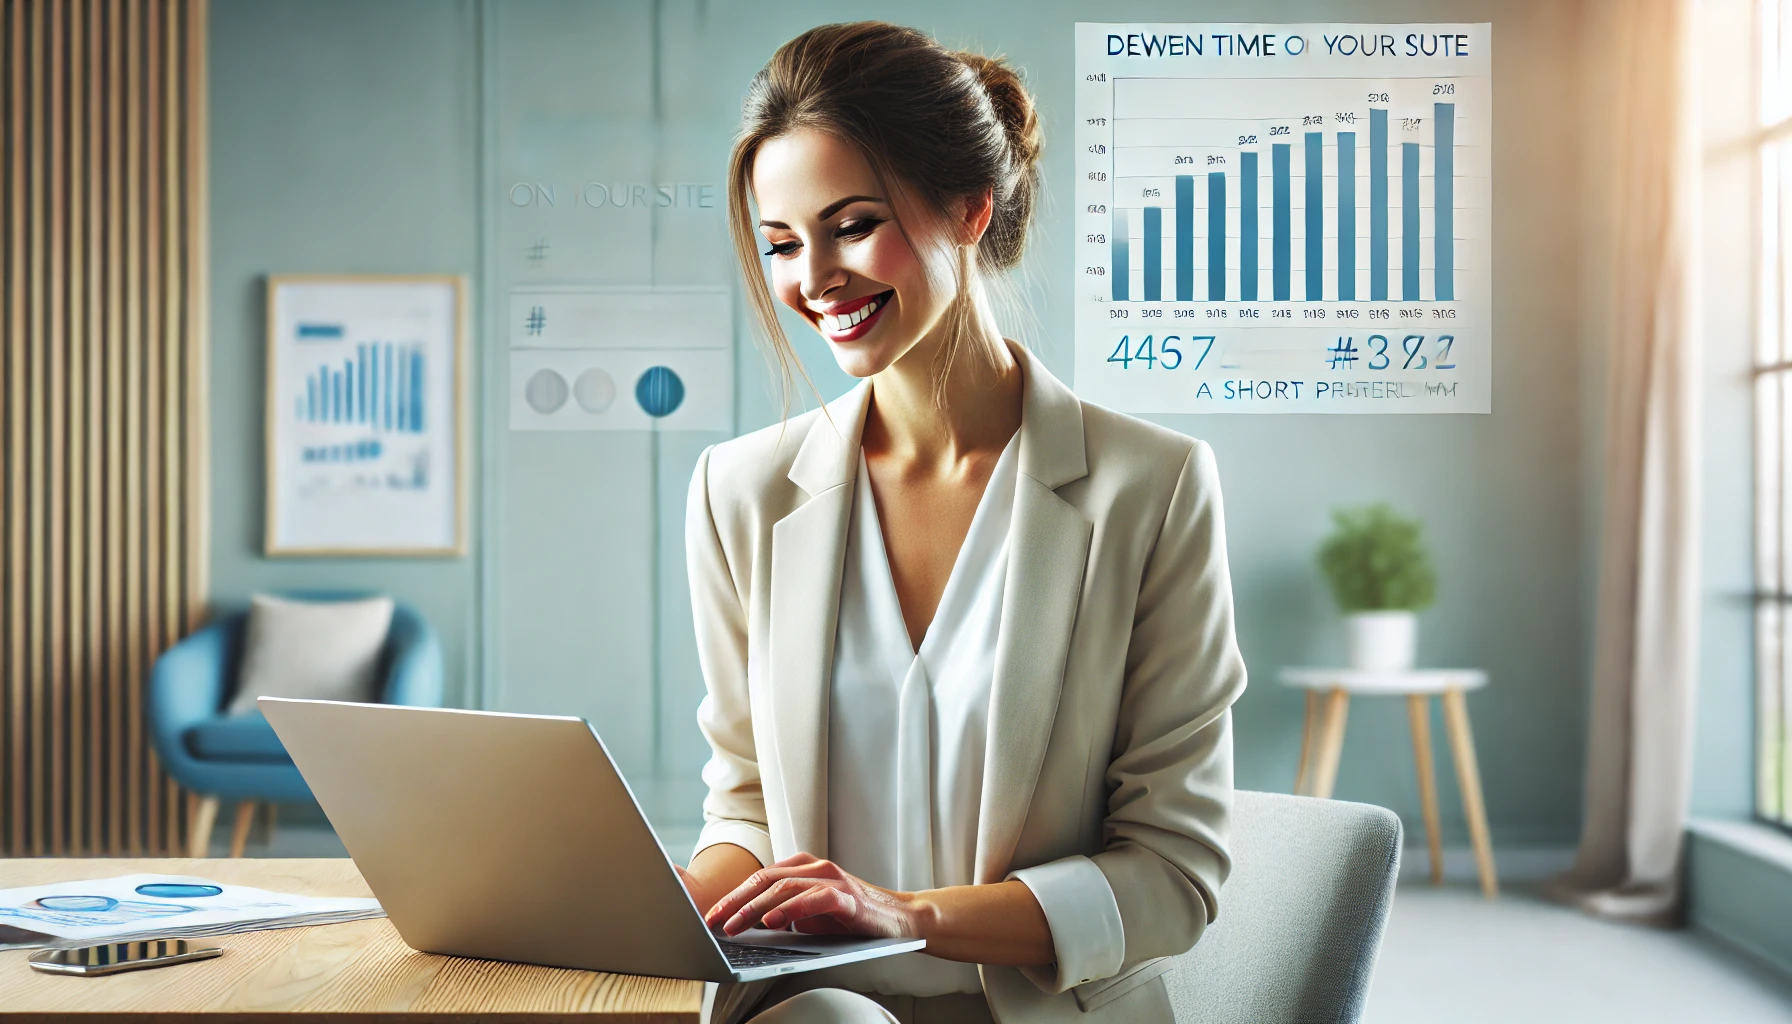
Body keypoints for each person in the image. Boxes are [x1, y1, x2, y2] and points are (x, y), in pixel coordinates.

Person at [678, 21, 1248, 1024]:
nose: (813, 279)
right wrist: (662, 908)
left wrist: (903, 915)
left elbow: (1172, 872)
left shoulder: (1148, 488)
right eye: (781, 244)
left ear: (969, 208)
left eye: (851, 225)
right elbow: (749, 806)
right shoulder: (741, 492)